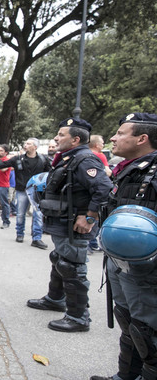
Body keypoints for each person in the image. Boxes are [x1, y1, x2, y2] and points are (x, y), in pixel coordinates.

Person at [26, 118, 112, 332]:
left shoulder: (85, 159)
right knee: (60, 259)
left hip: (75, 224)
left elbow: (104, 189)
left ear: (75, 139)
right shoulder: (69, 158)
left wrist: (90, 217)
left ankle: (78, 317)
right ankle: (56, 299)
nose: (56, 137)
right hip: (63, 222)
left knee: (72, 267)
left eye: (61, 134)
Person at [91, 113, 157, 380]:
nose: (113, 138)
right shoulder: (129, 168)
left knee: (146, 328)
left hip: (146, 269)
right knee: (128, 321)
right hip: (120, 262)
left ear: (142, 138)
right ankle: (125, 376)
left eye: (120, 133)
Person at [0, 138, 51, 249]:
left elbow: (49, 173)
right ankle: (19, 234)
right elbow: (2, 164)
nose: (25, 145)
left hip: (37, 191)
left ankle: (37, 238)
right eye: (25, 143)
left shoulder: (43, 159)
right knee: (20, 214)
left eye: (29, 143)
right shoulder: (18, 159)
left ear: (35, 147)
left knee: (38, 214)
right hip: (22, 190)